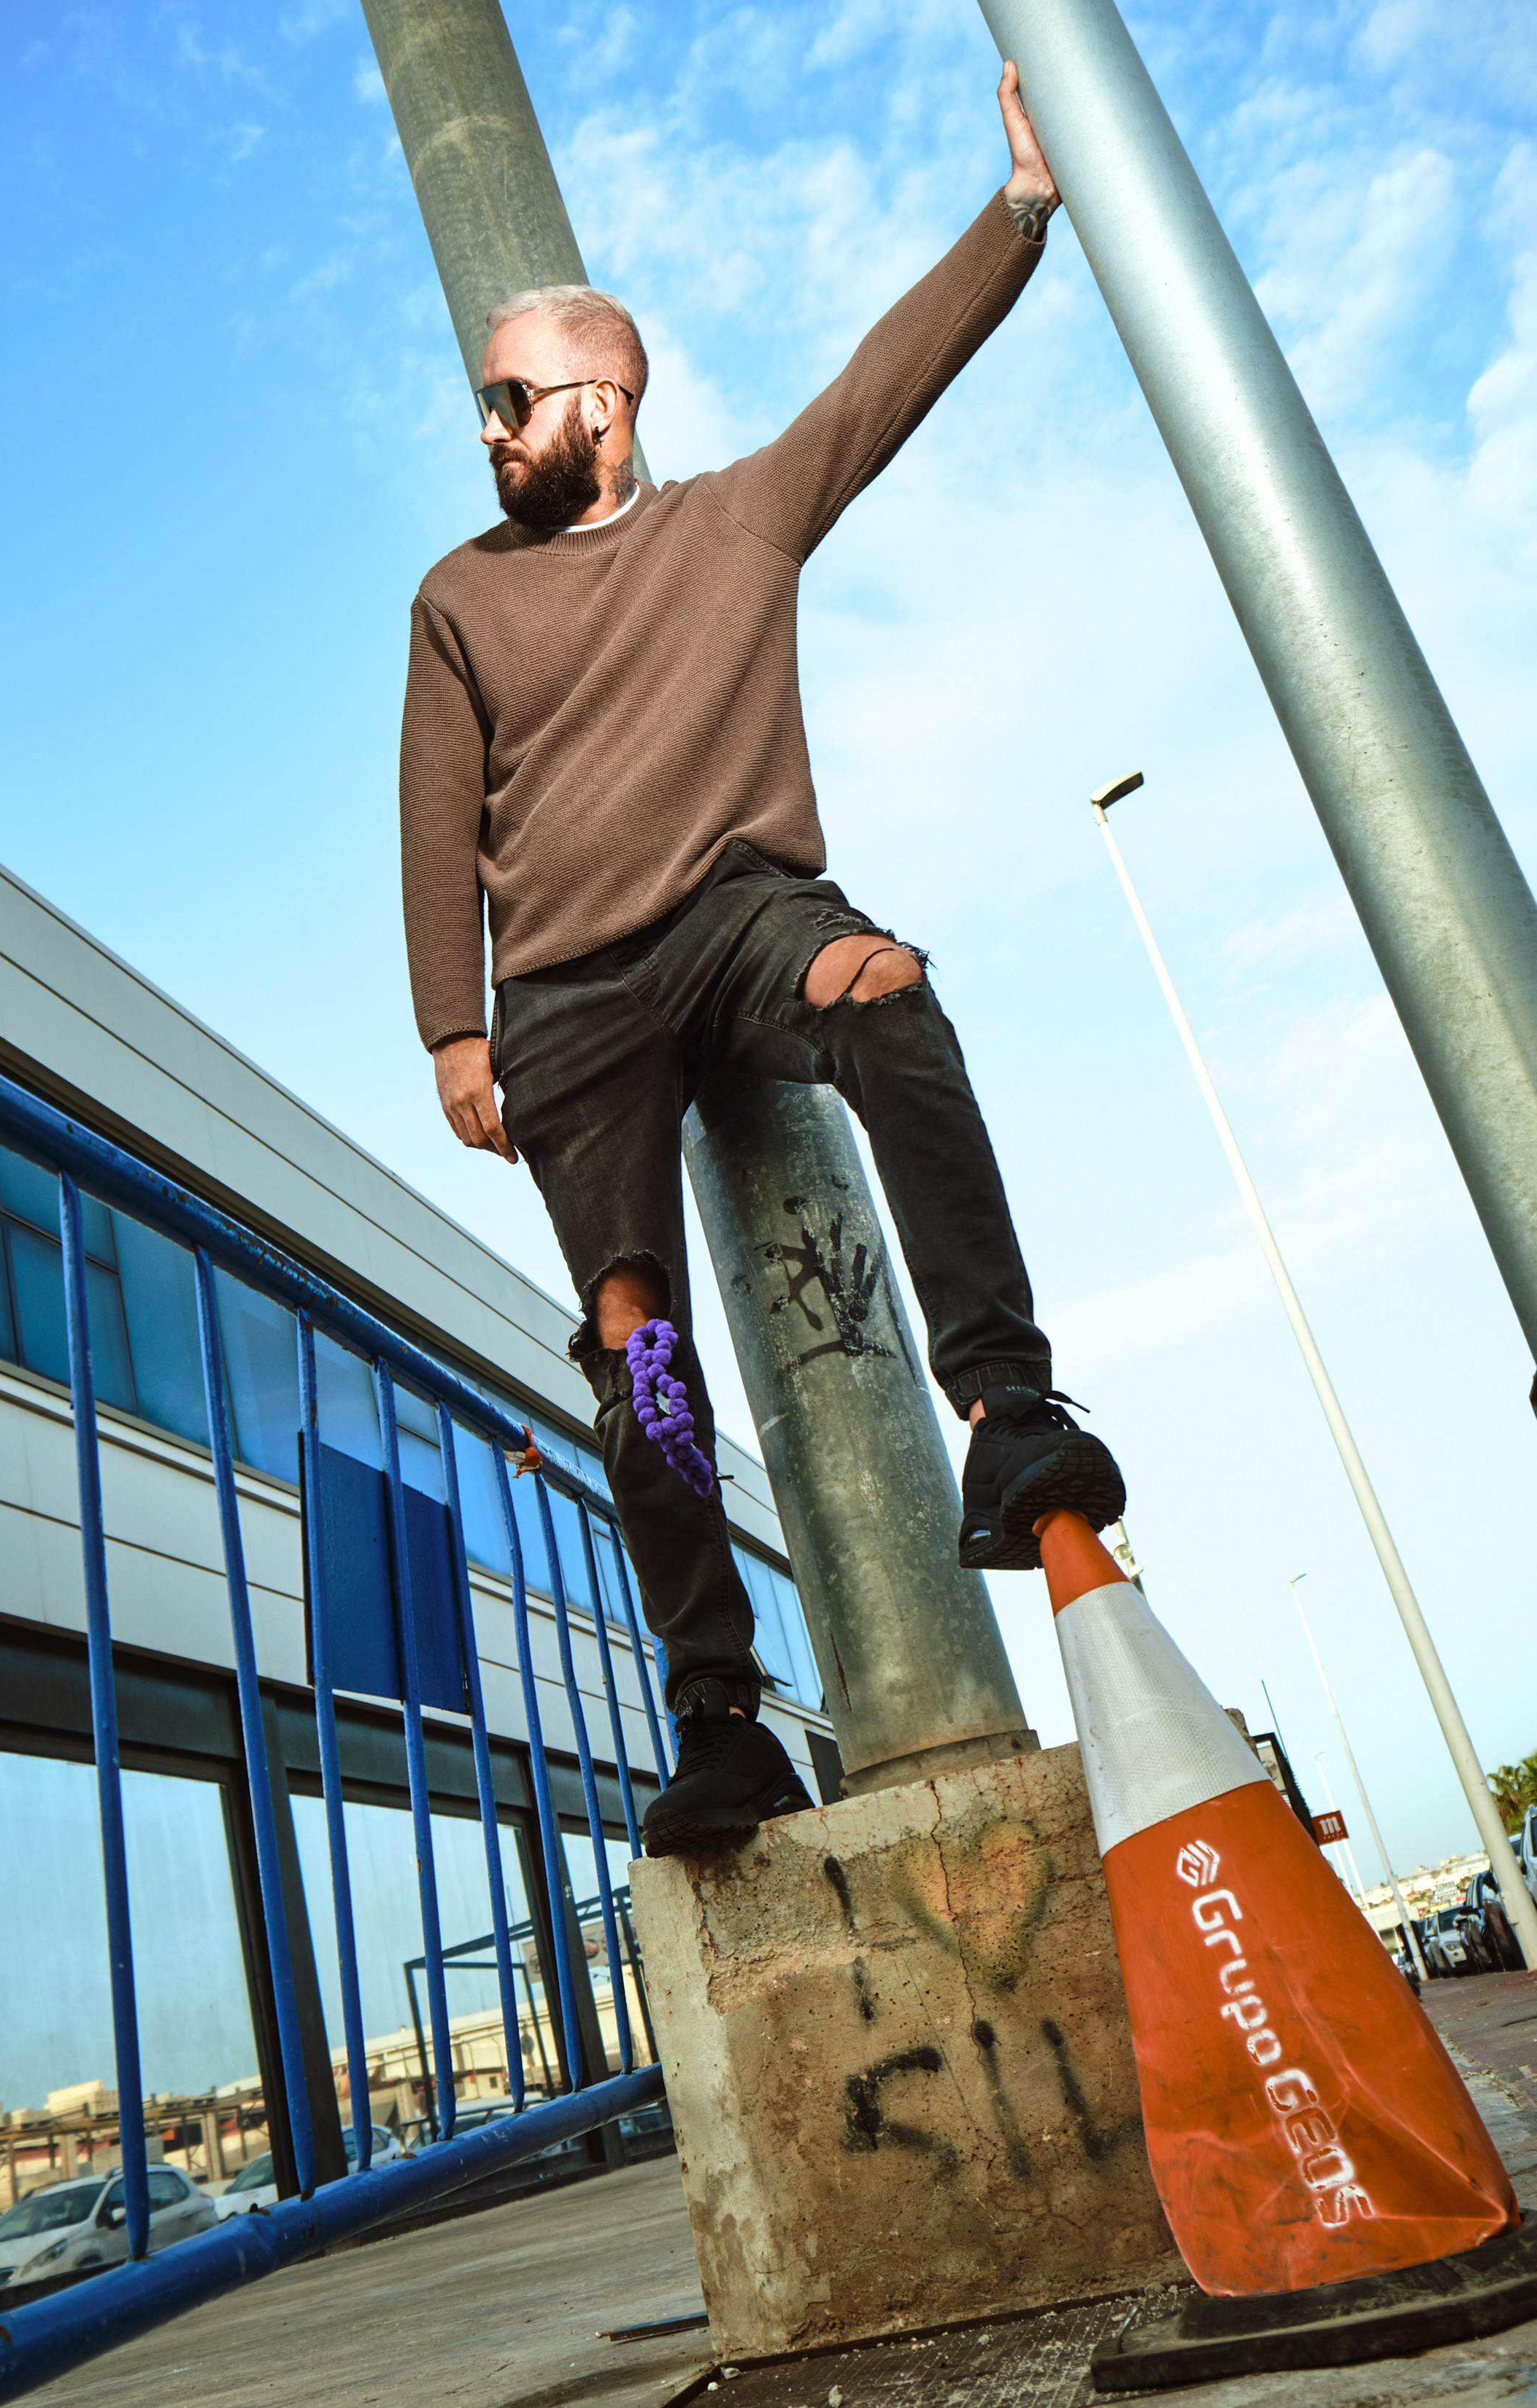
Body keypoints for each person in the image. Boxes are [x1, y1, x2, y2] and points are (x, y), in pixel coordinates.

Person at [398, 67, 1124, 1859]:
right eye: (481, 403)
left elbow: (889, 380)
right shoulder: (460, 596)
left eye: (512, 399)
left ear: (605, 402)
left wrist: (1022, 207)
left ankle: (1008, 1410)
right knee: (636, 1336)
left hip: (741, 922)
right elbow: (432, 817)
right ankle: (720, 1717)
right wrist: (450, 1027)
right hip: (565, 995)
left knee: (889, 987)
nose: (488, 429)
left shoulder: (737, 520)